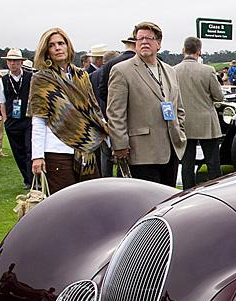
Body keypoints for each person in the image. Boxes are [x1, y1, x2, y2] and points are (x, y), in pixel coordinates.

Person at [28, 27, 108, 193]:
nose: (57, 48)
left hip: (85, 148)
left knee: (90, 198)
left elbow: (93, 110)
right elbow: (39, 118)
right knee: (65, 202)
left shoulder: (81, 76)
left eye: (61, 43)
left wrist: (110, 138)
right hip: (57, 150)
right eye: (51, 45)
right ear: (46, 51)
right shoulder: (41, 79)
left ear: (68, 46)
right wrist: (37, 156)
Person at [108, 21, 186, 187]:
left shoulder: (170, 71)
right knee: (147, 200)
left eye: (149, 38)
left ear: (158, 43)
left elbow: (178, 107)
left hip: (171, 150)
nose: (144, 42)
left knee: (169, 199)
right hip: (141, 153)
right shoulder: (121, 71)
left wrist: (180, 132)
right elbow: (115, 113)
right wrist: (120, 145)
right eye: (140, 39)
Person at [174, 36, 223, 190]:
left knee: (187, 163)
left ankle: (188, 191)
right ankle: (215, 191)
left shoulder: (173, 71)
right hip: (206, 122)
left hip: (184, 122)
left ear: (183, 50)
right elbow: (219, 96)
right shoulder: (208, 70)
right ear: (199, 51)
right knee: (213, 162)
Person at [0, 48, 33, 187]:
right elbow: (2, 103)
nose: (13, 63)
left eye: (16, 61)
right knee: (18, 152)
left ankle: (32, 180)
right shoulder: (3, 81)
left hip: (28, 119)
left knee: (30, 150)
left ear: (21, 62)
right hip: (12, 121)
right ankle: (27, 179)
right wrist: (6, 119)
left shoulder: (30, 77)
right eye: (10, 61)